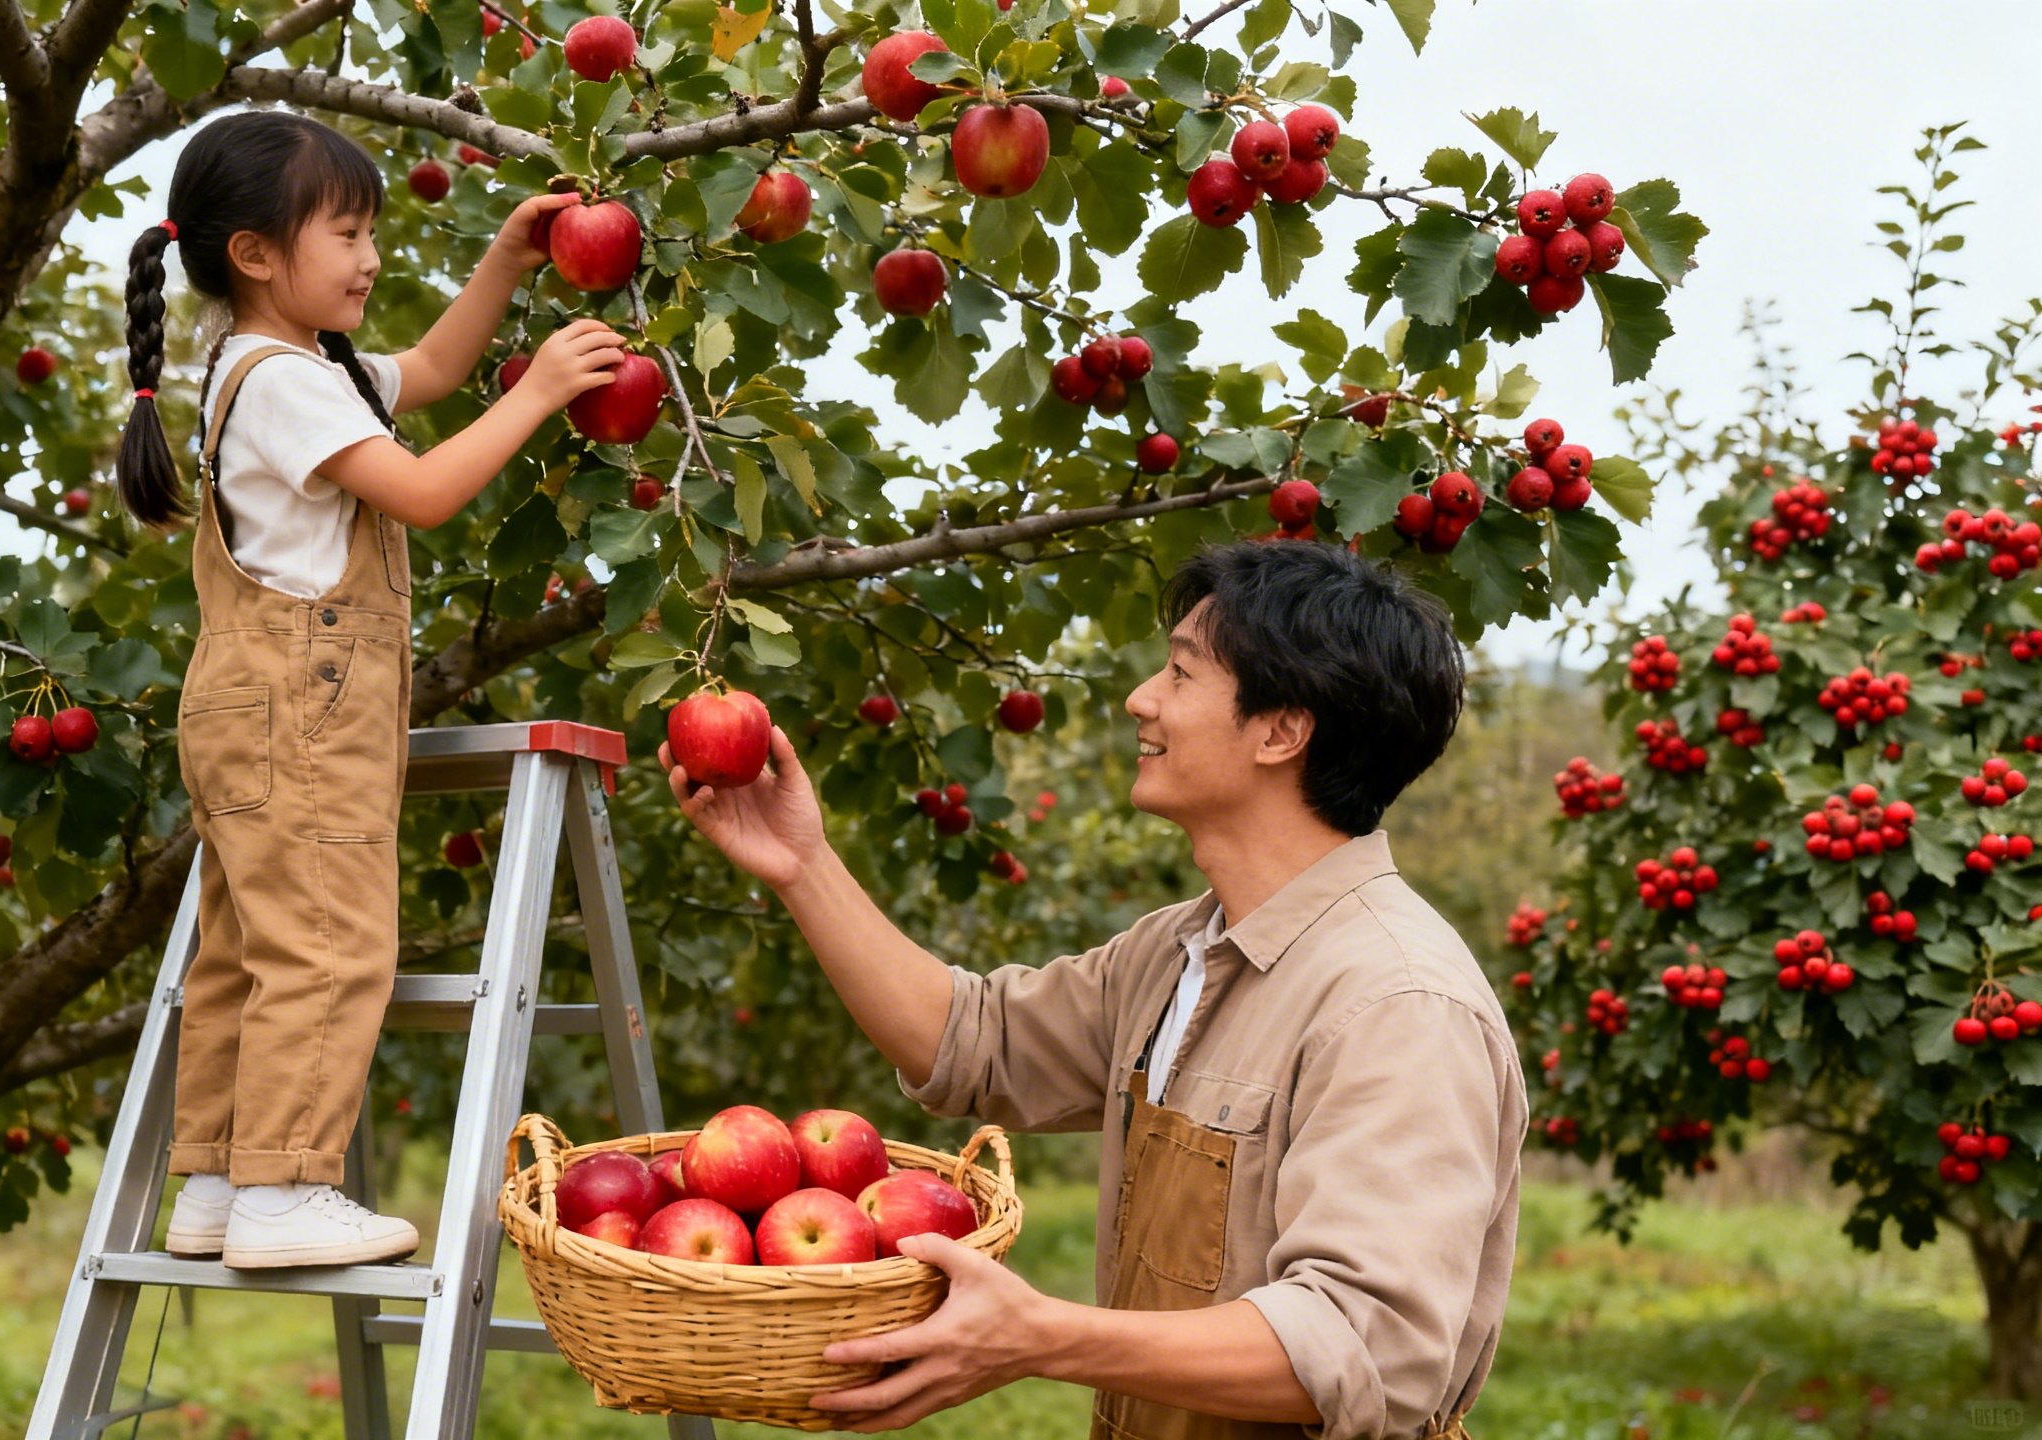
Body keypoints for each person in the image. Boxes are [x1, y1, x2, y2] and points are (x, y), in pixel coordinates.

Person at [662, 540, 1523, 1438]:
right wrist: (803, 866)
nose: (1140, 699)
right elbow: (972, 1042)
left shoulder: (1397, 1004)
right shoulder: (1182, 950)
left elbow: (1363, 1349)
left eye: (1182, 675)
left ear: (1281, 731)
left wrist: (1039, 1337)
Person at [117, 107, 626, 1269]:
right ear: (254, 253)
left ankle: (213, 1182)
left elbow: (437, 372)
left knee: (247, 951)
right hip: (304, 709)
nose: (371, 257)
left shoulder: (290, 368)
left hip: (244, 702)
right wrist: (542, 389)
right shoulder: (285, 381)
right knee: (333, 947)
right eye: (346, 233)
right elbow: (426, 490)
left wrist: (505, 260)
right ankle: (286, 1189)